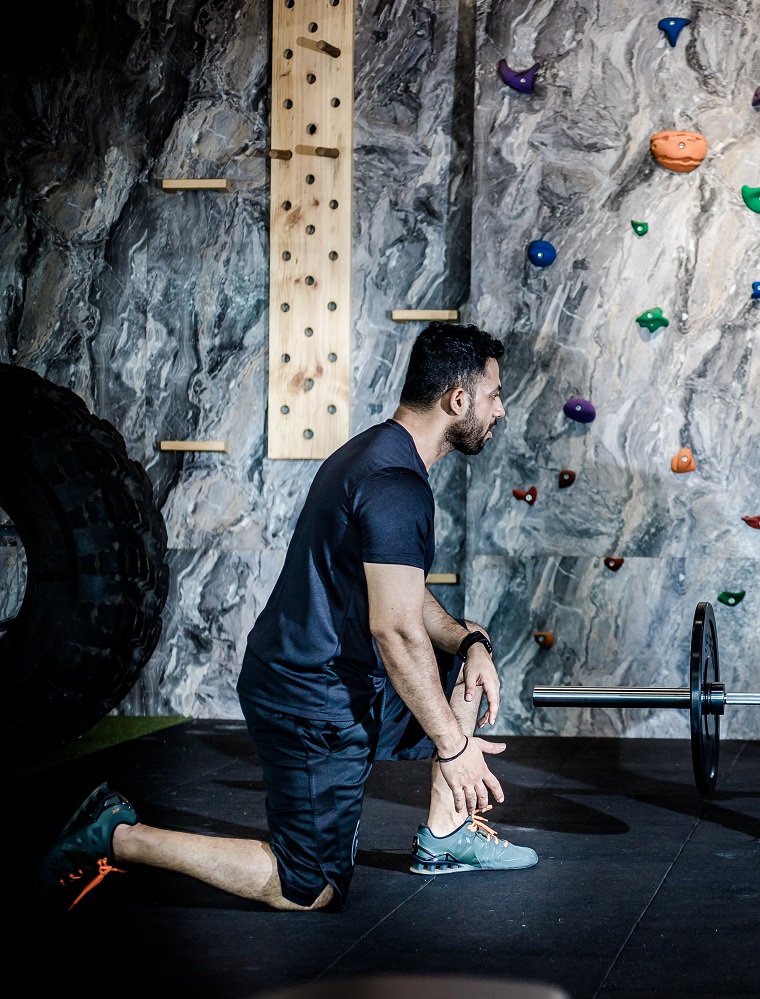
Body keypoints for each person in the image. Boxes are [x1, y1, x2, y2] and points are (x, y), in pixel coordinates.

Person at [35, 322, 537, 912]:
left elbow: (400, 594)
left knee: (460, 666)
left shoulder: (380, 450)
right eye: (495, 394)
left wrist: (470, 639)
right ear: (458, 400)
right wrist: (455, 749)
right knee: (309, 886)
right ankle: (118, 836)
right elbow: (394, 629)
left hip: (335, 676)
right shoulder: (397, 482)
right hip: (310, 696)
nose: (500, 410)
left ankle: (445, 839)